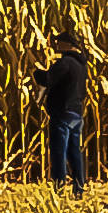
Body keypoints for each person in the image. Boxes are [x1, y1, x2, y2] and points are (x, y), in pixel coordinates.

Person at [33, 23, 93, 195]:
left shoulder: (65, 63)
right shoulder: (82, 65)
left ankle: (59, 188)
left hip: (62, 113)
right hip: (76, 112)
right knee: (74, 151)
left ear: (68, 45)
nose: (57, 46)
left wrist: (37, 72)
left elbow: (48, 80)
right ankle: (78, 188)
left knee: (59, 151)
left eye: (60, 43)